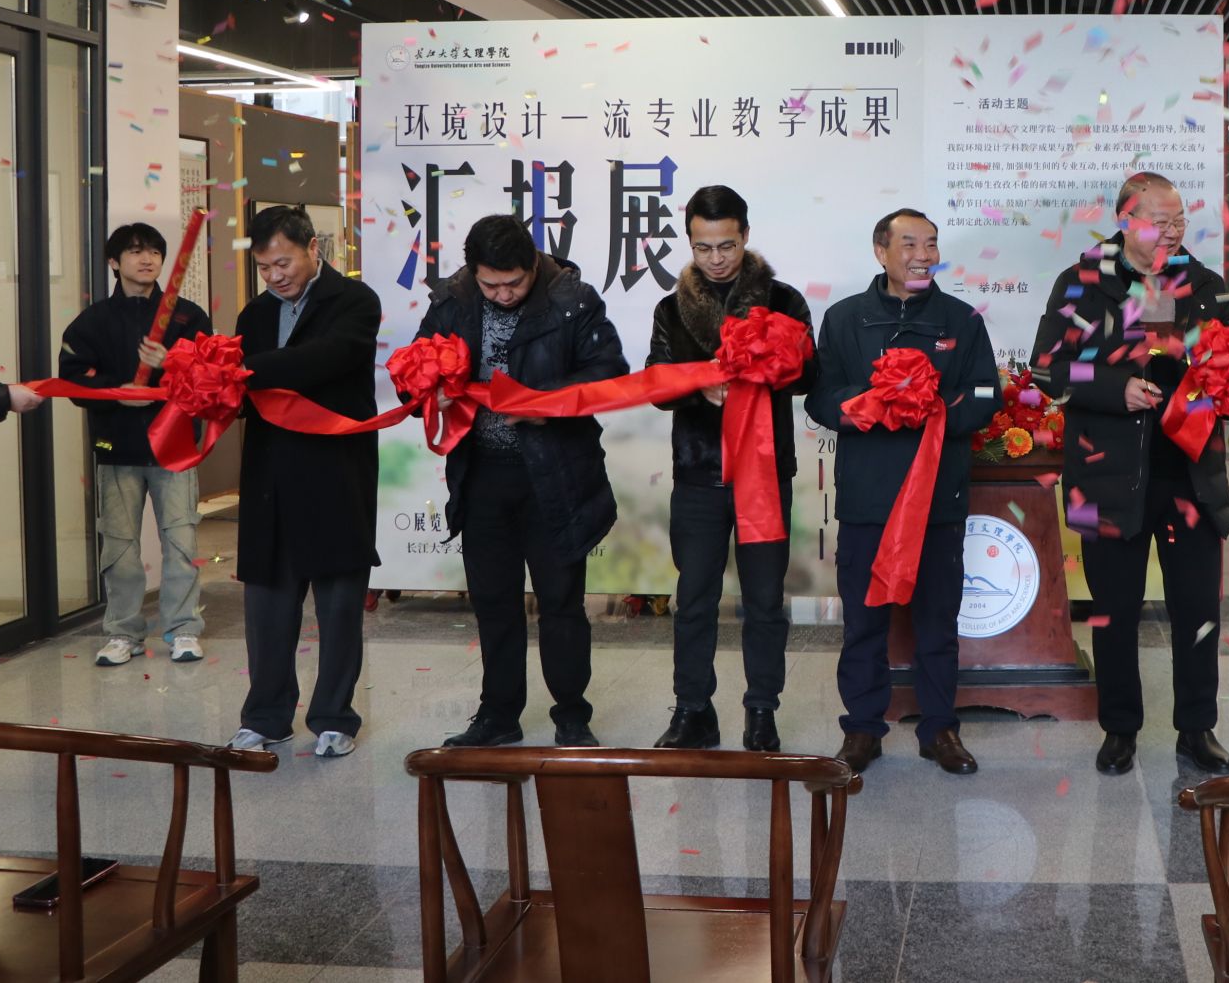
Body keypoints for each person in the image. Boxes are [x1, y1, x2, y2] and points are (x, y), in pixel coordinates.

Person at [1029, 171, 1229, 778]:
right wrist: (1114, 389)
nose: (1173, 232)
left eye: (1180, 221)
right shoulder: (1082, 282)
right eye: (1160, 222)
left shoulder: (1205, 285)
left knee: (1196, 610)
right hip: (1107, 475)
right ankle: (1119, 728)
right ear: (1126, 221)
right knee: (1114, 610)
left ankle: (1197, 728)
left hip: (1190, 476)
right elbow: (1047, 369)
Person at [419, 215, 628, 749]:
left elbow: (609, 372)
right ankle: (498, 714)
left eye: (514, 282)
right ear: (473, 272)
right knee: (494, 602)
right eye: (491, 285)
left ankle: (572, 714)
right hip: (483, 475)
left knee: (561, 603)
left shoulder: (573, 300)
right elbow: (414, 367)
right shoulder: (453, 302)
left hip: (555, 475)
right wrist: (427, 390)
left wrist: (543, 404)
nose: (504, 294)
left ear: (533, 264)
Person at [806, 209, 996, 776]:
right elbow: (820, 398)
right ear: (880, 251)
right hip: (869, 499)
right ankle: (863, 729)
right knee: (865, 623)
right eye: (909, 244)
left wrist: (929, 408)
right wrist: (874, 405)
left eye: (931, 244)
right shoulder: (844, 319)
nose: (922, 255)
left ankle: (940, 729)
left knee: (937, 621)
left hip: (938, 499)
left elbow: (985, 395)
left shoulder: (962, 320)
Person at [646, 186, 818, 753]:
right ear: (689, 242)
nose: (716, 258)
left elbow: (810, 376)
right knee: (693, 597)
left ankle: (762, 710)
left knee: (764, 600)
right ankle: (692, 709)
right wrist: (701, 387)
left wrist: (765, 370)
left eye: (726, 245)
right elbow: (657, 385)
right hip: (698, 474)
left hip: (764, 473)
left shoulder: (783, 301)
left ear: (745, 235)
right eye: (703, 247)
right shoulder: (671, 308)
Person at [228, 206, 382, 759]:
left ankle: (335, 717)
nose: (275, 277)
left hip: (333, 473)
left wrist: (244, 370)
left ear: (313, 248)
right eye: (264, 267)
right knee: (267, 608)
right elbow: (244, 396)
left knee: (339, 606)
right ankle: (265, 716)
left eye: (284, 263)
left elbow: (324, 361)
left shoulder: (355, 302)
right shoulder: (253, 314)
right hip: (270, 475)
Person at [59, 223, 213, 666]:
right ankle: (123, 632)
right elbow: (72, 378)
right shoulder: (92, 322)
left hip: (174, 446)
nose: (147, 260)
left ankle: (184, 629)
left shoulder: (187, 316)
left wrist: (172, 362)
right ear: (114, 261)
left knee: (181, 542)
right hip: (118, 447)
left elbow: (210, 376)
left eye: (154, 253)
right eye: (134, 252)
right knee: (120, 547)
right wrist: (116, 392)